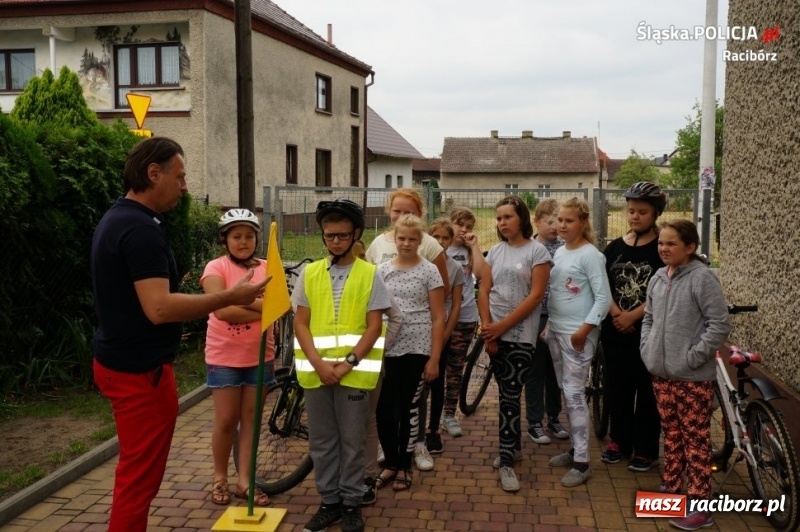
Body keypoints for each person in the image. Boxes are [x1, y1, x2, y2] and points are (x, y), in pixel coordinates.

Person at [90, 137, 268, 531]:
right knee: (139, 480)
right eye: (181, 176)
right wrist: (229, 296)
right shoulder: (140, 230)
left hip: (126, 364)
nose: (185, 186)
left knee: (138, 475)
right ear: (154, 174)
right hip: (139, 373)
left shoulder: (120, 219)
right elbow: (159, 308)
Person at [292, 199, 391, 532]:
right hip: (316, 373)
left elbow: (374, 327)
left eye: (342, 235)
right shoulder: (310, 273)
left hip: (355, 373)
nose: (335, 241)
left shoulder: (370, 274)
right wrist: (319, 364)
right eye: (329, 235)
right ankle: (329, 502)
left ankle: (351, 503)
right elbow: (301, 323)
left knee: (352, 441)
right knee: (321, 442)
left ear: (356, 234)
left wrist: (347, 364)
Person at [640, 219, 730, 531]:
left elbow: (719, 324)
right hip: (661, 374)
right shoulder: (657, 277)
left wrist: (693, 357)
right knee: (672, 434)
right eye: (661, 243)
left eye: (671, 243)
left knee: (696, 440)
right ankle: (672, 488)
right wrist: (647, 349)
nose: (663, 248)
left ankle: (701, 506)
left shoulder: (702, 279)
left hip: (692, 377)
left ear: (690, 247)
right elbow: (648, 318)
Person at [362, 188, 448, 502]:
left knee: (409, 406)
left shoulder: (429, 271)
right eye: (402, 238)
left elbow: (438, 316)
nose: (407, 243)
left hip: (417, 348)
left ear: (420, 240)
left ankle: (405, 465)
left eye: (413, 239)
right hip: (387, 346)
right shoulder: (382, 271)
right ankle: (391, 462)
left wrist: (434, 358)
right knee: (385, 408)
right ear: (394, 238)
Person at [201, 208, 275, 506]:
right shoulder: (216, 268)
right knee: (227, 420)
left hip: (260, 356)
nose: (243, 242)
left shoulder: (268, 267)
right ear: (225, 240)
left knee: (251, 420)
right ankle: (220, 477)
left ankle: (245, 480)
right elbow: (221, 310)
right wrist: (261, 304)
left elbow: (278, 306)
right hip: (224, 358)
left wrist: (242, 300)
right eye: (236, 236)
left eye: (248, 236)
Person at [478, 195, 552, 493]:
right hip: (494, 334)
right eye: (498, 218)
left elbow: (536, 296)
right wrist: (488, 329)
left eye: (507, 217)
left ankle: (506, 460)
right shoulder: (495, 251)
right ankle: (514, 449)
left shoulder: (538, 251)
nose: (502, 223)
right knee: (506, 394)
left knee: (509, 395)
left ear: (521, 218)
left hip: (520, 336)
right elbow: (484, 290)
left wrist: (502, 327)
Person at [545, 197, 611, 488]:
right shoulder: (560, 251)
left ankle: (582, 462)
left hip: (577, 336)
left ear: (583, 223)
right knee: (567, 392)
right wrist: (549, 325)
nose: (562, 225)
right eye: (559, 220)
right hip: (557, 332)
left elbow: (603, 298)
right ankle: (576, 449)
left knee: (573, 394)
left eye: (569, 220)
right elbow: (558, 292)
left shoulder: (590, 255)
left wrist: (585, 330)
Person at [599, 182, 666, 472]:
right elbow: (602, 285)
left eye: (642, 212)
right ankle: (619, 441)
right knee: (617, 389)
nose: (635, 216)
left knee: (648, 392)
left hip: (649, 333)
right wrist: (617, 313)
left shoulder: (662, 248)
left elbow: (666, 289)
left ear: (655, 214)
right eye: (631, 211)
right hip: (615, 331)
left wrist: (633, 316)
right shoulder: (614, 248)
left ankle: (646, 449)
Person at [413, 218, 465, 471]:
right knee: (416, 385)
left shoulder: (455, 268)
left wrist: (445, 335)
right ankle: (413, 431)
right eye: (436, 237)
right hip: (417, 332)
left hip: (440, 331)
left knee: (437, 382)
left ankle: (433, 430)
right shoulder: (419, 263)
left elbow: (455, 305)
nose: (441, 242)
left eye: (446, 238)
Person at [524, 198, 569, 445]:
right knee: (535, 370)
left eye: (558, 221)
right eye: (550, 221)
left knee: (555, 370)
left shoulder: (564, 248)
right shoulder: (529, 248)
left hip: (560, 317)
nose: (555, 227)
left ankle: (553, 417)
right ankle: (534, 421)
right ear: (536, 221)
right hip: (536, 316)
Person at [439, 207, 485, 438]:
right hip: (439, 317)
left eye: (468, 226)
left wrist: (474, 246)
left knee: (455, 368)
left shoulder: (468, 250)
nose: (464, 230)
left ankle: (449, 414)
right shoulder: (439, 247)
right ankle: (426, 415)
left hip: (465, 317)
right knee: (432, 368)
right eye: (459, 224)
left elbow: (481, 274)